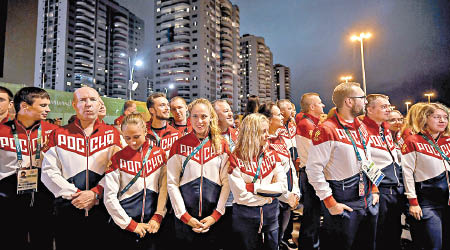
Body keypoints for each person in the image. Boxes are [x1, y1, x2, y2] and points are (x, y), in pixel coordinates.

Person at [41, 87, 122, 250]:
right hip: (68, 208)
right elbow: (48, 172)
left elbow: (120, 170)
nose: (88, 104)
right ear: (74, 105)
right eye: (82, 100)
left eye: (93, 100)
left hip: (103, 208)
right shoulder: (58, 134)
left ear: (100, 103)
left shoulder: (113, 134)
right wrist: (77, 195)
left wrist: (95, 193)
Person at [306, 82, 380, 250]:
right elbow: (313, 169)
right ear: (349, 101)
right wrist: (330, 203)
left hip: (368, 199)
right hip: (343, 201)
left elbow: (367, 159)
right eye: (362, 98)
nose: (365, 102)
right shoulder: (326, 129)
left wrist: (375, 188)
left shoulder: (361, 127)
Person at [167, 98, 230, 250]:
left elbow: (227, 182)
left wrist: (216, 215)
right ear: (190, 118)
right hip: (185, 219)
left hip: (214, 219)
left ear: (211, 117)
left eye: (204, 116)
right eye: (195, 116)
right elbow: (172, 183)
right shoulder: (178, 145)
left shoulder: (221, 144)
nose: (199, 121)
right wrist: (184, 216)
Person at [0, 87, 58, 250]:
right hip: (8, 201)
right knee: (10, 240)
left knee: (43, 240)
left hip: (44, 200)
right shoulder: (2, 131)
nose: (48, 109)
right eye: (43, 105)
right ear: (25, 106)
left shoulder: (53, 132)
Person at [104, 113, 168, 250]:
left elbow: (164, 188)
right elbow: (109, 197)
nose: (132, 142)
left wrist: (158, 215)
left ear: (145, 131)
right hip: (123, 226)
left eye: (136, 137)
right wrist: (130, 224)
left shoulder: (160, 154)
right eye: (127, 138)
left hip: (152, 226)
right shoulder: (117, 158)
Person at [227, 113, 287, 250]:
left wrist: (253, 188)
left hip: (271, 219)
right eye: (263, 132)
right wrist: (269, 196)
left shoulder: (272, 154)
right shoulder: (235, 158)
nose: (267, 135)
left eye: (267, 130)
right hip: (245, 221)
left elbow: (282, 187)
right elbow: (241, 197)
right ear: (251, 134)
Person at [401, 103, 450, 250]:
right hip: (427, 203)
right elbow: (407, 173)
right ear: (425, 118)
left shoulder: (448, 140)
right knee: (434, 244)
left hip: (447, 202)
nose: (442, 121)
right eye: (437, 117)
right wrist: (413, 202)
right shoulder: (412, 141)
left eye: (445, 117)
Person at [362, 94, 405, 250]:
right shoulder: (361, 129)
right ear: (369, 109)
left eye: (389, 106)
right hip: (379, 190)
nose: (389, 109)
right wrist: (376, 185)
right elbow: (363, 161)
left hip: (395, 188)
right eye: (384, 107)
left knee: (393, 232)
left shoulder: (385, 128)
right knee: (377, 234)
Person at [259, 101, 300, 250]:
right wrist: (285, 196)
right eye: (278, 114)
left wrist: (295, 192)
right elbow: (268, 179)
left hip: (288, 199)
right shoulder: (261, 143)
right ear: (269, 120)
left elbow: (290, 168)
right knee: (269, 241)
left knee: (278, 238)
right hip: (274, 201)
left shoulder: (280, 139)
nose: (282, 116)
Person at [296, 92, 325, 250]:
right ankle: (309, 245)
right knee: (312, 215)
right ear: (312, 107)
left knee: (312, 214)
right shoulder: (307, 125)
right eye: (320, 103)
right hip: (311, 172)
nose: (323, 105)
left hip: (310, 171)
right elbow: (318, 152)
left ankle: (310, 244)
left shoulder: (311, 123)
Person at [213, 99, 239, 250]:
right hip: (215, 200)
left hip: (235, 200)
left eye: (230, 109)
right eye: (225, 111)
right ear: (215, 116)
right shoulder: (207, 138)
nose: (230, 113)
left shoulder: (237, 135)